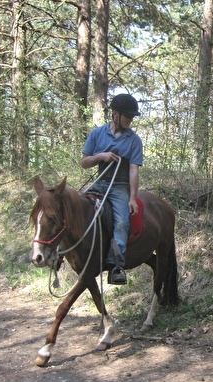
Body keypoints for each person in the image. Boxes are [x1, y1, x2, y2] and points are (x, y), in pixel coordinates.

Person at [81, 93, 143, 285]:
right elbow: (84, 162)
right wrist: (101, 156)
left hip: (120, 185)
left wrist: (132, 197)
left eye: (133, 117)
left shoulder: (134, 140)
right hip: (100, 181)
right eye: (128, 116)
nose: (131, 120)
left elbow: (134, 170)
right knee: (74, 206)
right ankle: (61, 253)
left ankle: (117, 265)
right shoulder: (96, 134)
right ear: (115, 114)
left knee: (122, 221)